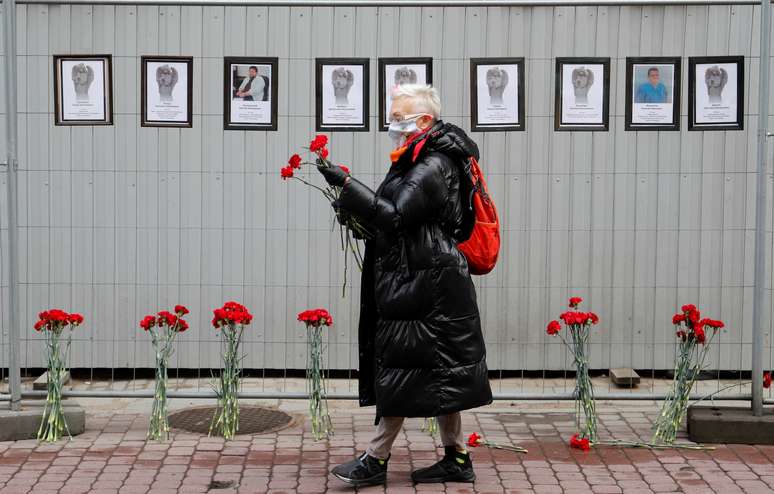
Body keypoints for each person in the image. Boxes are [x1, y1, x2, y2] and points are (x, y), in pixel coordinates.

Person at [317, 84, 493, 487]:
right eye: (393, 116)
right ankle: (457, 457)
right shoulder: (417, 157)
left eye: (400, 117)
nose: (393, 124)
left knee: (404, 365)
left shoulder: (433, 164)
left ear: (424, 121)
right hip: (422, 275)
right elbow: (393, 219)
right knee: (438, 368)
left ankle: (375, 459)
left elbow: (395, 216)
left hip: (425, 281)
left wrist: (348, 186)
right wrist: (351, 209)